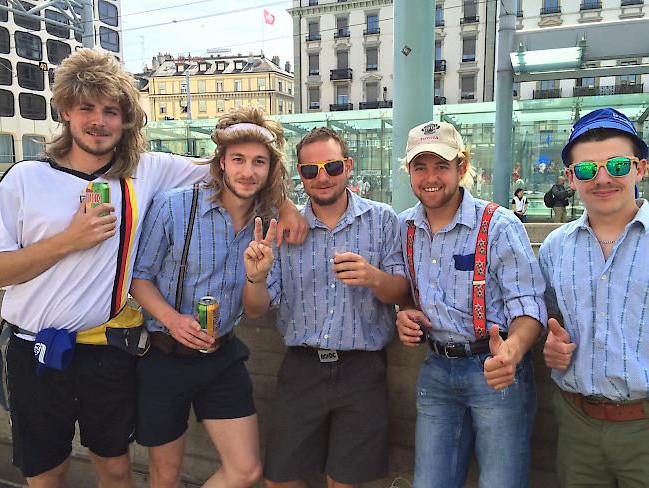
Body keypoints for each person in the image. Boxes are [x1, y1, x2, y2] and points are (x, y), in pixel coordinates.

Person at [0, 49, 306, 487]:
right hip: (36, 350)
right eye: (87, 108)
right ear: (65, 110)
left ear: (125, 120)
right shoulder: (24, 178)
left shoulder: (143, 172)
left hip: (108, 350)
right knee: (48, 473)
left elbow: (236, 169)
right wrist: (69, 240)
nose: (99, 121)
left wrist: (287, 205)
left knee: (116, 468)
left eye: (111, 111)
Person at [242, 127, 410, 488]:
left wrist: (373, 277)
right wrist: (255, 277)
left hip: (361, 369)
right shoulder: (283, 231)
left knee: (344, 482)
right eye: (310, 170)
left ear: (348, 167)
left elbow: (402, 292)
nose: (322, 178)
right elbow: (255, 310)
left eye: (332, 167)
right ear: (299, 175)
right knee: (280, 479)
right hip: (302, 366)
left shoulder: (382, 220)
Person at [129, 106, 288, 488]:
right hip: (164, 356)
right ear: (221, 162)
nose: (248, 171)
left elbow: (255, 310)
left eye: (258, 162)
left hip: (222, 357)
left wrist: (257, 278)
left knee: (246, 470)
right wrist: (173, 320)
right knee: (165, 475)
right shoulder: (175, 206)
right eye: (238, 159)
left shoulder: (268, 223)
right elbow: (138, 278)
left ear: (270, 170)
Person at [394, 121, 547, 488]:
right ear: (409, 172)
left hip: (493, 368)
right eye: (420, 167)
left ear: (461, 168)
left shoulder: (499, 225)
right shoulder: (403, 227)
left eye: (441, 166)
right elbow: (400, 287)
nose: (430, 177)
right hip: (435, 369)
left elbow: (528, 306)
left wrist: (511, 351)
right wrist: (402, 314)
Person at [540, 107, 649, 488]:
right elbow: (551, 320)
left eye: (618, 165)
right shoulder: (554, 248)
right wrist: (551, 345)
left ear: (641, 168)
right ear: (571, 178)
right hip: (577, 425)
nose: (603, 178)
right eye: (587, 170)